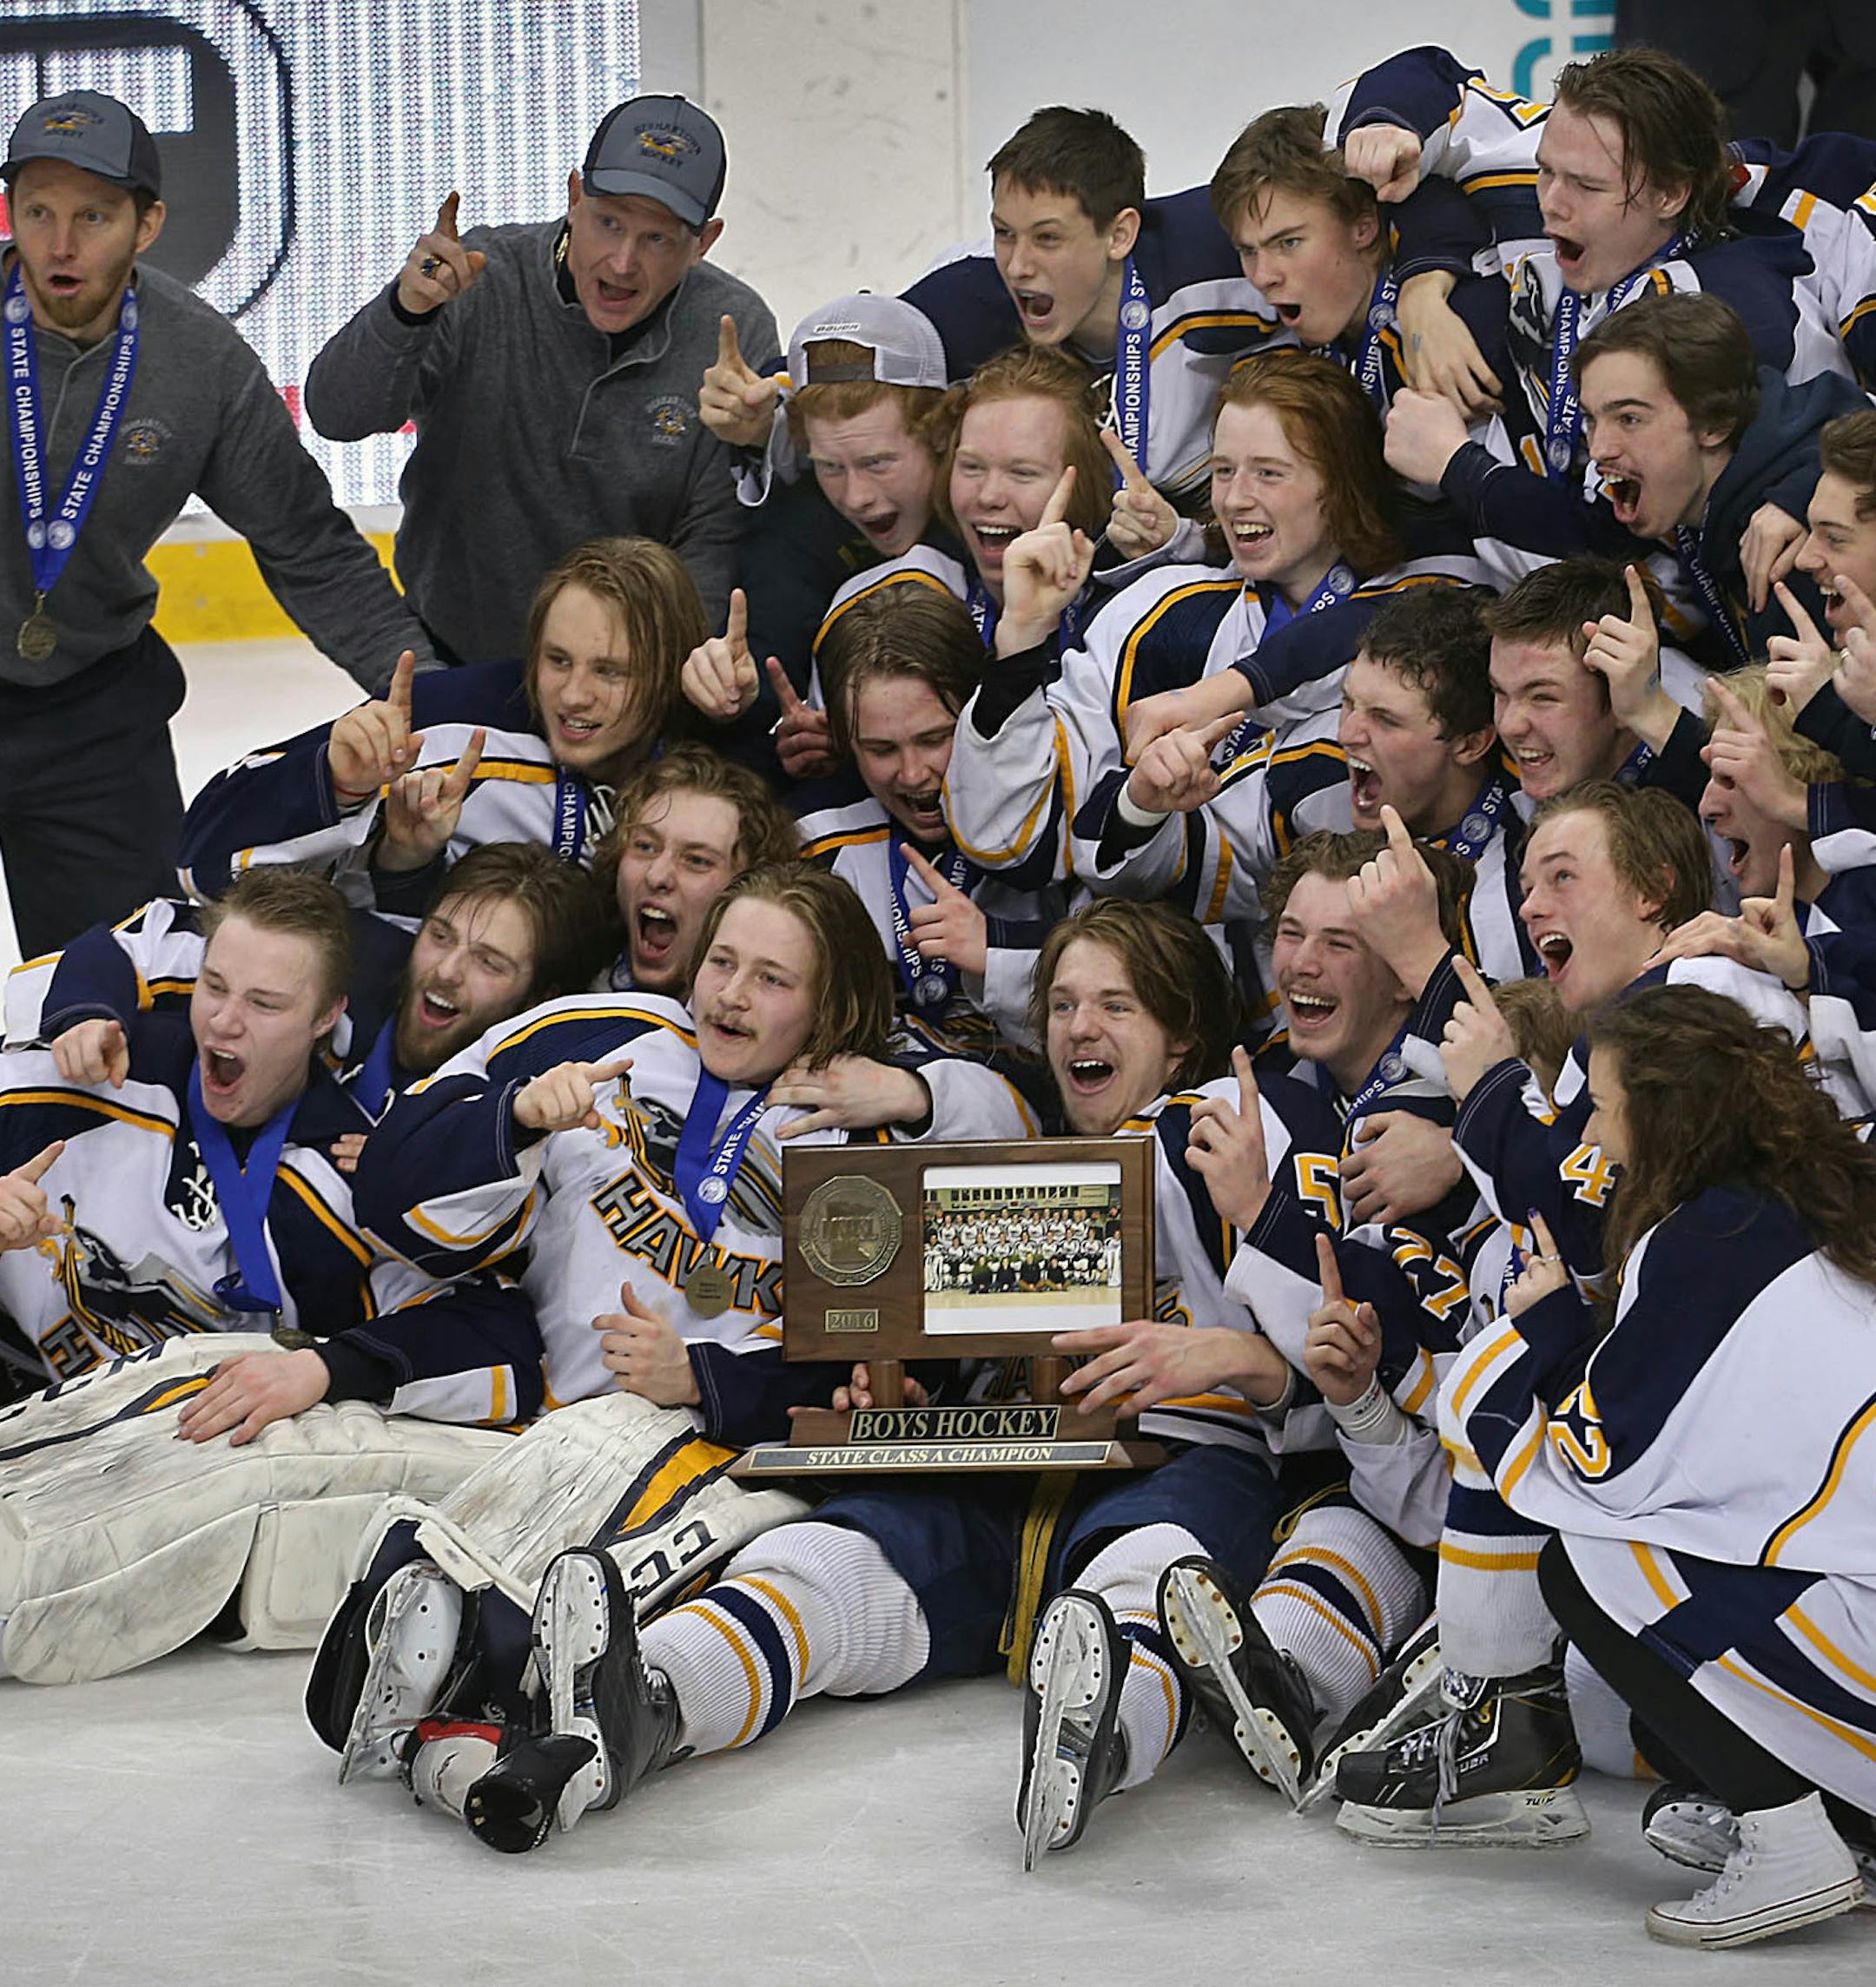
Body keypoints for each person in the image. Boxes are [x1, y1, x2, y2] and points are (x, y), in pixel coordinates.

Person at [382, 897, 1351, 1860]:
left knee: (1142, 1565)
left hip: (1177, 1451)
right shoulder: (1010, 1148)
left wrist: (1246, 1332)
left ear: (1183, 1037)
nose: (1079, 1029)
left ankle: (1107, 1725)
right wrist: (893, 1397)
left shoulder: (1242, 1123)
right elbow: (928, 1325)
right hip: (1001, 1463)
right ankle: (648, 1700)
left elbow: (1346, 1351)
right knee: (840, 1552)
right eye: (1060, 1005)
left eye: (1116, 1007)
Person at [310, 861, 1033, 1808]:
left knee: (614, 1552)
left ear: (832, 1002)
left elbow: (1032, 1156)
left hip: (742, 1461)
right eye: (721, 960)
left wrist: (909, 1095)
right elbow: (393, 1173)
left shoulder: (867, 1118)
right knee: (575, 1475)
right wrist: (516, 1115)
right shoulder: (598, 1033)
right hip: (560, 1425)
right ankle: (445, 1681)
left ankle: (474, 1692)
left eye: (773, 978)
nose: (731, 993)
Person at [0, 867, 558, 1685]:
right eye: (214, 988)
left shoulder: (352, 1175)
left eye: (265, 1006)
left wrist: (328, 1368)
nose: (224, 1022)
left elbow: (508, 1344)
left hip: (141, 1498)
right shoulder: (65, 1084)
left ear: (328, 1018)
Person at [1449, 984, 1876, 1947]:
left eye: (1600, 1104)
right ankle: (1851, 1822)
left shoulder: (1707, 1238)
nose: (1593, 1135)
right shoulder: (1818, 1188)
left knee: (1587, 1564)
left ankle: (1792, 1835)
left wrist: (1549, 1324)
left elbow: (1600, 1463)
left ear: (1664, 1109)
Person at [0, 90, 436, 957]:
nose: (59, 244)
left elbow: (307, 544)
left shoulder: (199, 363)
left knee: (130, 986)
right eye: (37, 211)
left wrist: (434, 690)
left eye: (92, 216)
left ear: (148, 223)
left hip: (90, 715)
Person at [303, 95, 778, 660]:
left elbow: (713, 541)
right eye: (608, 223)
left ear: (704, 242)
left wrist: (662, 692)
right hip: (456, 653)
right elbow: (336, 414)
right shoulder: (478, 275)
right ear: (575, 197)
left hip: (626, 678)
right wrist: (406, 313)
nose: (623, 262)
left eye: (657, 239)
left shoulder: (734, 328)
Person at [178, 536, 705, 901]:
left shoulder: (709, 760)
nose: (572, 695)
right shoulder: (446, 718)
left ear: (668, 673)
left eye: (610, 673)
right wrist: (333, 782)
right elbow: (199, 856)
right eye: (557, 660)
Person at [797, 584, 1067, 1066]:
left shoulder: (1063, 824)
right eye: (881, 749)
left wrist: (997, 952)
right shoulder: (820, 852)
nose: (913, 773)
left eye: (935, 738)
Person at [592, 745, 799, 995]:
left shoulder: (765, 1026)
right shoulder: (570, 989)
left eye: (697, 861)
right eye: (645, 847)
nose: (656, 876)